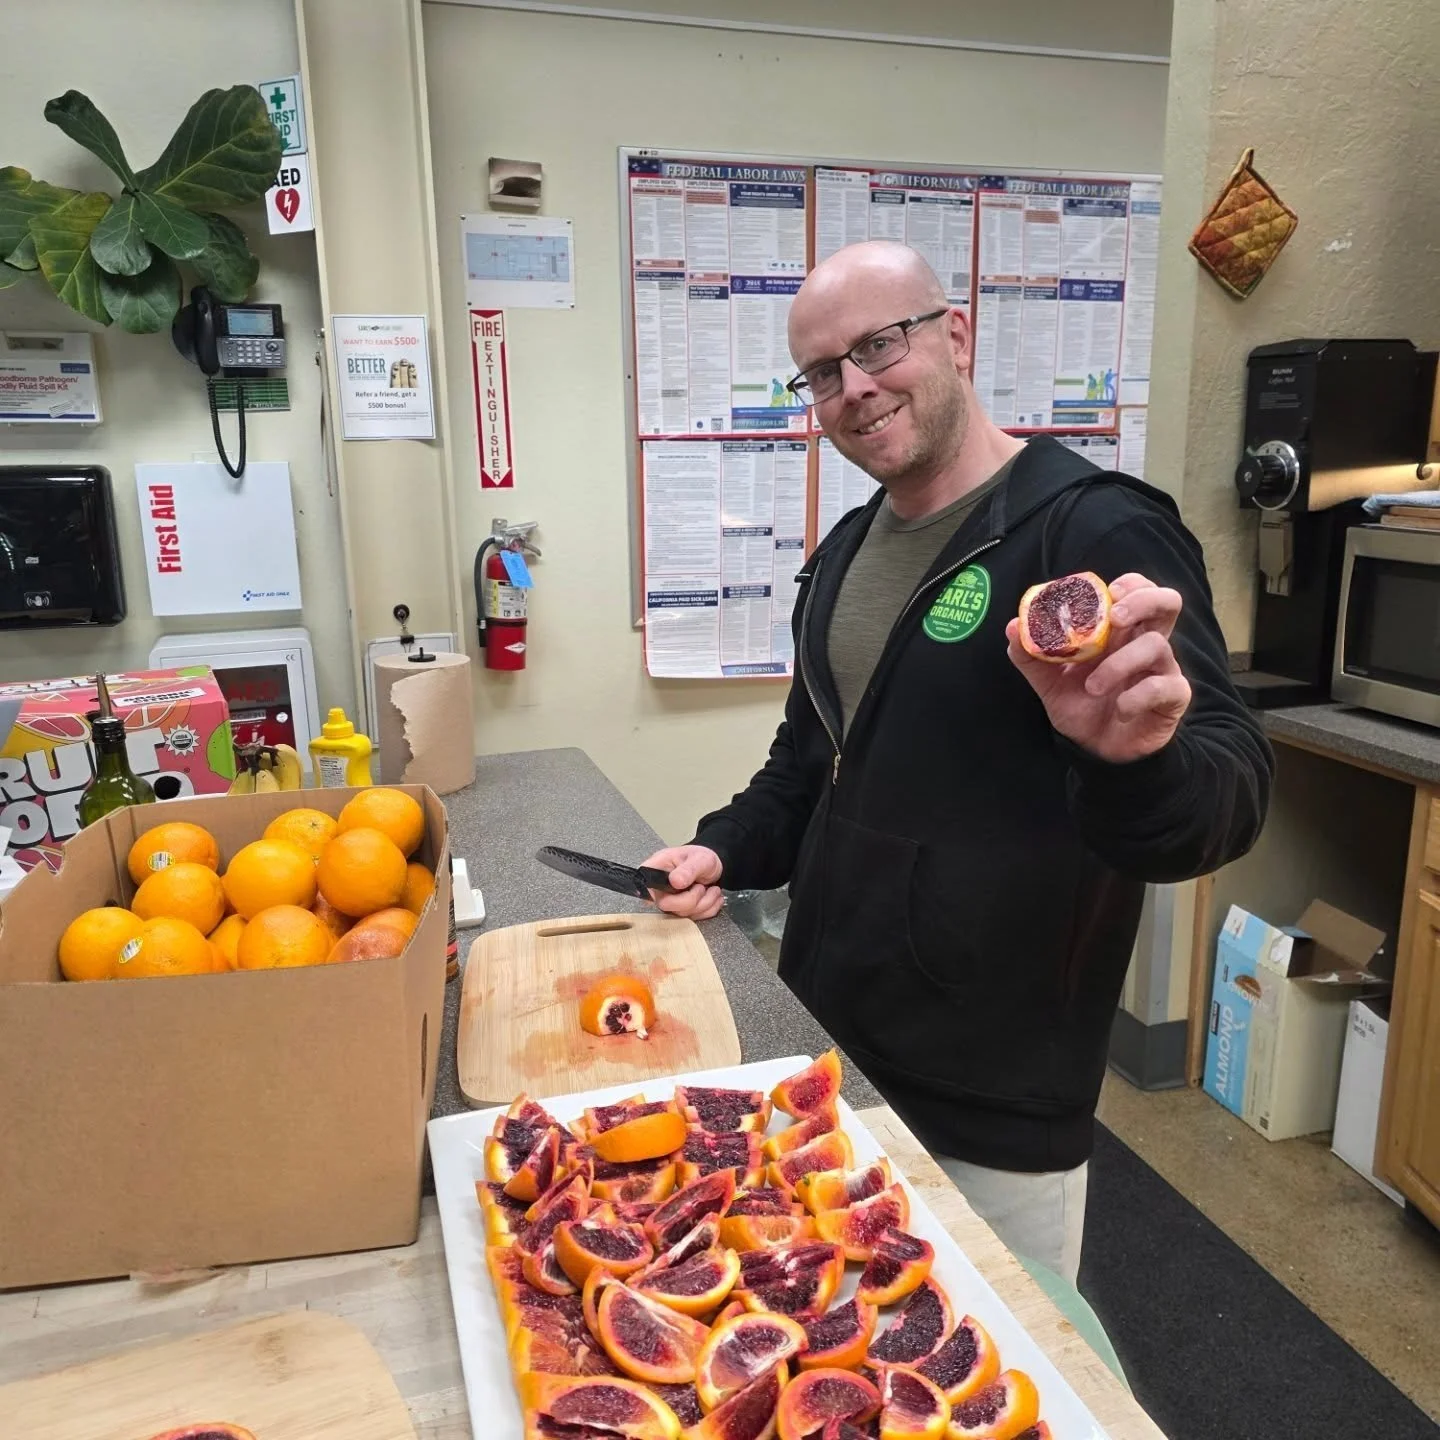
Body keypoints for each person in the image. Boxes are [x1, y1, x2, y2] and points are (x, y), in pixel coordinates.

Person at [642, 241, 1272, 1285]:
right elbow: (808, 769)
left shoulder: (1096, 526)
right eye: (822, 373)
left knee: (988, 1388)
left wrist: (1134, 763)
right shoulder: (843, 553)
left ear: (957, 336)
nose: (855, 389)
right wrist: (724, 851)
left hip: (998, 1094)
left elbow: (1225, 794)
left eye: (879, 345)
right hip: (830, 1045)